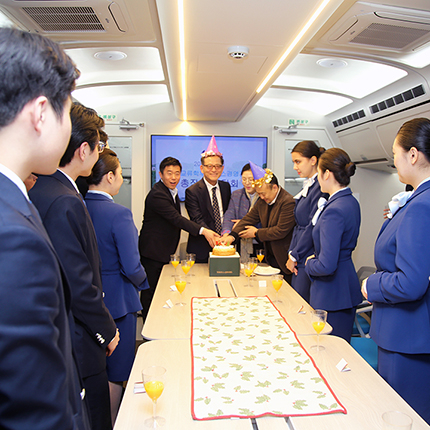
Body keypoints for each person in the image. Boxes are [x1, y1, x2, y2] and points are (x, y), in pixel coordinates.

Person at [0, 28, 90, 429]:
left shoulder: (16, 201)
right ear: (40, 113)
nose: (69, 128)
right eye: (67, 112)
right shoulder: (12, 238)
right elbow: (34, 409)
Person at [30, 102, 118, 430]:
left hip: (63, 333)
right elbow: (78, 280)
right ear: (84, 150)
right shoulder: (64, 199)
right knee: (93, 416)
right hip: (79, 339)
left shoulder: (44, 186)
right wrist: (106, 329)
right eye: (100, 147)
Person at [362, 118, 430, 425]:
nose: (393, 159)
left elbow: (411, 282)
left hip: (407, 336)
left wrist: (370, 286)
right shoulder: (417, 200)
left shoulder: (420, 206)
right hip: (408, 333)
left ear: (413, 155)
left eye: (395, 153)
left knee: (404, 419)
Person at [86, 149, 150, 424]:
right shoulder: (119, 214)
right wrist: (145, 285)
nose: (122, 178)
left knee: (92, 369)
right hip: (118, 302)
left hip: (87, 300)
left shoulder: (77, 204)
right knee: (117, 372)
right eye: (121, 173)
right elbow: (132, 266)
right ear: (109, 176)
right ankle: (114, 422)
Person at [139, 156, 219, 317]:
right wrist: (204, 230)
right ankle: (148, 326)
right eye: (169, 173)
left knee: (159, 289)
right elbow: (177, 219)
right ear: (161, 174)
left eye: (177, 173)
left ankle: (157, 319)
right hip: (152, 251)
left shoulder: (171, 192)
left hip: (162, 250)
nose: (173, 177)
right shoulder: (158, 194)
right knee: (150, 291)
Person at [305, 148, 361, 342]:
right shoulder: (350, 201)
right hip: (344, 288)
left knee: (330, 352)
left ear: (326, 173)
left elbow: (326, 265)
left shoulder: (334, 210)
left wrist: (309, 263)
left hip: (332, 294)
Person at [224, 162, 295, 283]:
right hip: (270, 257)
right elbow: (248, 219)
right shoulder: (263, 202)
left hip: (283, 257)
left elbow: (280, 231)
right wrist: (232, 236)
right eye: (259, 194)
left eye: (263, 193)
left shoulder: (288, 202)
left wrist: (256, 233)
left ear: (274, 188)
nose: (261, 197)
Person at [286, 141, 328, 302]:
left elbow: (312, 225)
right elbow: (299, 226)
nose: (295, 167)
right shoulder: (310, 186)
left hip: (307, 253)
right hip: (300, 253)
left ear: (313, 160)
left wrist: (295, 255)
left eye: (298, 162)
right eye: (293, 162)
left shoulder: (319, 187)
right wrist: (292, 253)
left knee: (301, 303)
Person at [185, 136, 231, 262]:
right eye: (209, 166)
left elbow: (227, 213)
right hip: (201, 247)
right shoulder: (192, 191)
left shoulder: (225, 187)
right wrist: (213, 236)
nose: (214, 170)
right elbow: (197, 218)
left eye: (217, 166)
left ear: (222, 168)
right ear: (202, 168)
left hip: (223, 245)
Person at [221, 163, 261, 262]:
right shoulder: (237, 194)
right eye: (244, 179)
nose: (247, 183)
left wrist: (242, 223)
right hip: (239, 241)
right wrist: (226, 234)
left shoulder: (263, 196)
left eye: (251, 179)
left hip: (260, 242)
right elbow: (229, 216)